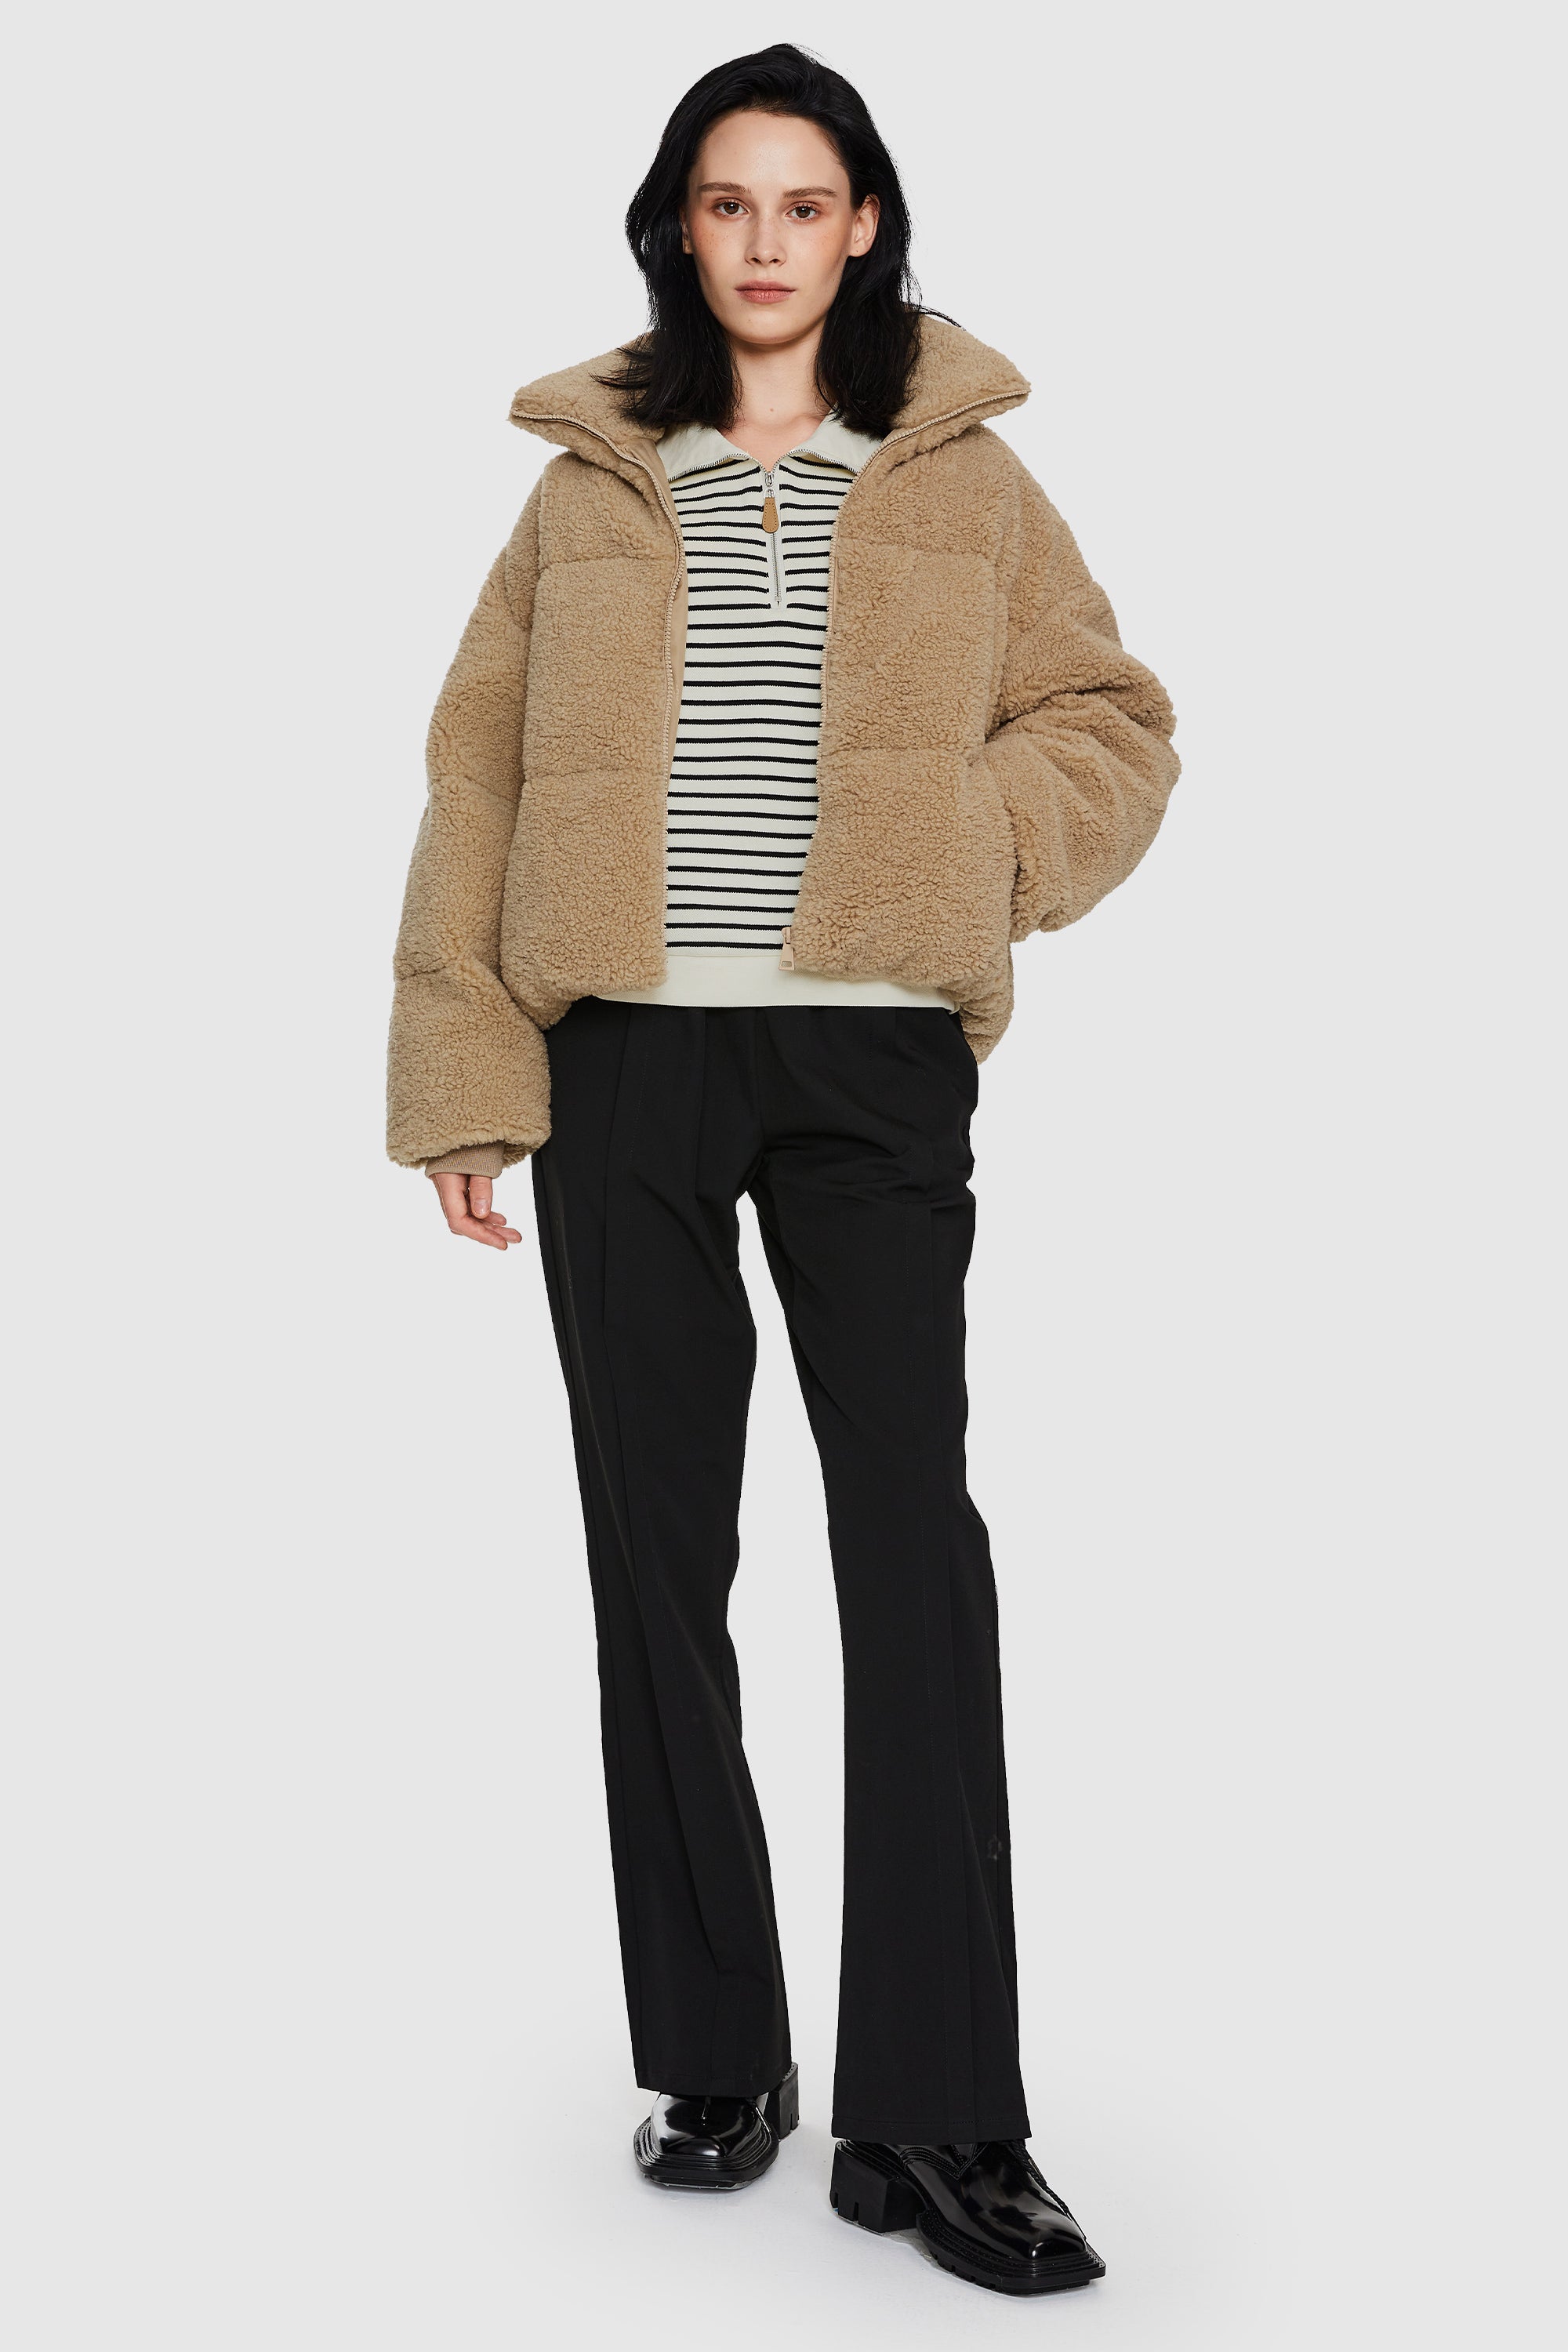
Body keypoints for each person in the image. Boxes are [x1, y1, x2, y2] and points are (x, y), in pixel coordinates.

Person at [387, 43, 1178, 2298]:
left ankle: (934, 2116)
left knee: (911, 1546)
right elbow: (476, 771)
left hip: (868, 1065)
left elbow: (1113, 723)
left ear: (862, 226)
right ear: (681, 224)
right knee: (659, 1554)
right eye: (727, 202)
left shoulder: (961, 475)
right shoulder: (591, 481)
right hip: (625, 1058)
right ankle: (717, 2053)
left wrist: (971, 851)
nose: (763, 240)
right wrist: (466, 1067)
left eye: (803, 203)